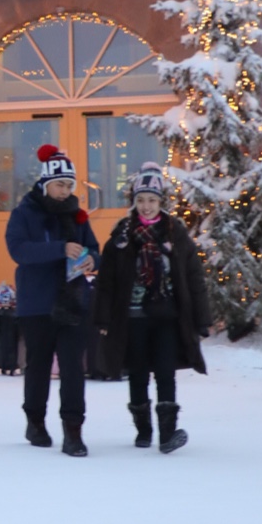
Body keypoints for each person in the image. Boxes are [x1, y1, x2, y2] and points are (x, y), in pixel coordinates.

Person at [94, 161, 208, 453]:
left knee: (166, 371)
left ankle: (168, 435)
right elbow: (106, 281)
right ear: (134, 202)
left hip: (167, 315)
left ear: (161, 202)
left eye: (152, 200)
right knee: (138, 372)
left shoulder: (175, 234)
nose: (146, 206)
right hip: (132, 318)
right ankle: (143, 429)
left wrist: (201, 316)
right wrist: (103, 318)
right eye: (141, 200)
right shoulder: (121, 237)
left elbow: (194, 276)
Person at [4, 144, 100, 456]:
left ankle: (73, 431)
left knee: (73, 367)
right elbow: (19, 250)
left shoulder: (78, 217)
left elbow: (94, 249)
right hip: (37, 304)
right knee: (39, 366)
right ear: (46, 184)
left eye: (69, 185)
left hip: (73, 303)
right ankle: (35, 421)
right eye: (60, 184)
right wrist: (59, 249)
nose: (65, 191)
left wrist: (91, 262)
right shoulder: (24, 213)